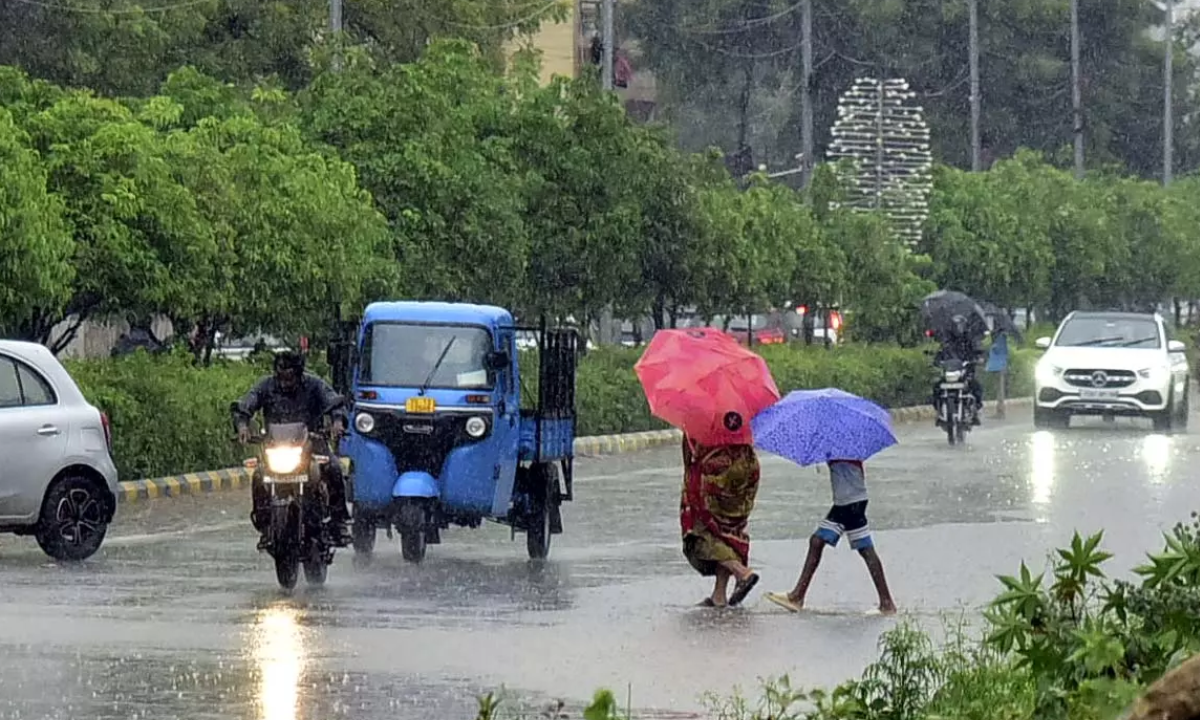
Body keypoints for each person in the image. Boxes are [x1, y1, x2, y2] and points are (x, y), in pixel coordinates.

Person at [231, 351, 352, 550]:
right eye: (281, 376)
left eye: (290, 376)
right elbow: (247, 403)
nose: (285, 381)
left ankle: (338, 523)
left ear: (299, 373)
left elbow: (333, 401)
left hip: (311, 443)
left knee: (333, 468)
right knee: (259, 477)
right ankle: (265, 526)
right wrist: (243, 425)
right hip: (276, 446)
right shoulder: (266, 386)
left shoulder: (314, 385)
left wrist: (337, 422)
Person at [765, 459, 895, 614]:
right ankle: (886, 602)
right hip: (852, 500)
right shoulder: (846, 447)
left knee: (821, 542)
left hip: (848, 503)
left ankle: (797, 596)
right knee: (832, 544)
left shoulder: (842, 448)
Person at [680, 434, 761, 608]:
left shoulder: (701, 418)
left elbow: (690, 455)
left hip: (715, 473)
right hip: (745, 469)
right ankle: (719, 595)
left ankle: (741, 572)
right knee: (726, 534)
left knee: (701, 533)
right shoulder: (744, 413)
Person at [931, 314, 984, 424]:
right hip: (949, 374)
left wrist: (977, 358)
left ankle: (975, 411)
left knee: (976, 387)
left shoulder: (969, 340)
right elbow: (940, 353)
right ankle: (939, 411)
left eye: (960, 325)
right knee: (936, 387)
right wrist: (937, 361)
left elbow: (977, 350)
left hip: (965, 372)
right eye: (956, 325)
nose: (958, 328)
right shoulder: (947, 341)